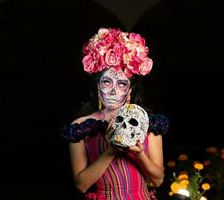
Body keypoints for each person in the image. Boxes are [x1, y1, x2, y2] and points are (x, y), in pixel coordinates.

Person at [61, 27, 170, 200]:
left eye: (121, 84)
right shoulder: (81, 127)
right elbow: (81, 185)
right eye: (106, 82)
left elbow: (158, 180)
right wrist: (110, 150)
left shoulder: (148, 123)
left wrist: (140, 154)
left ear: (129, 91)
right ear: (98, 87)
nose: (113, 90)